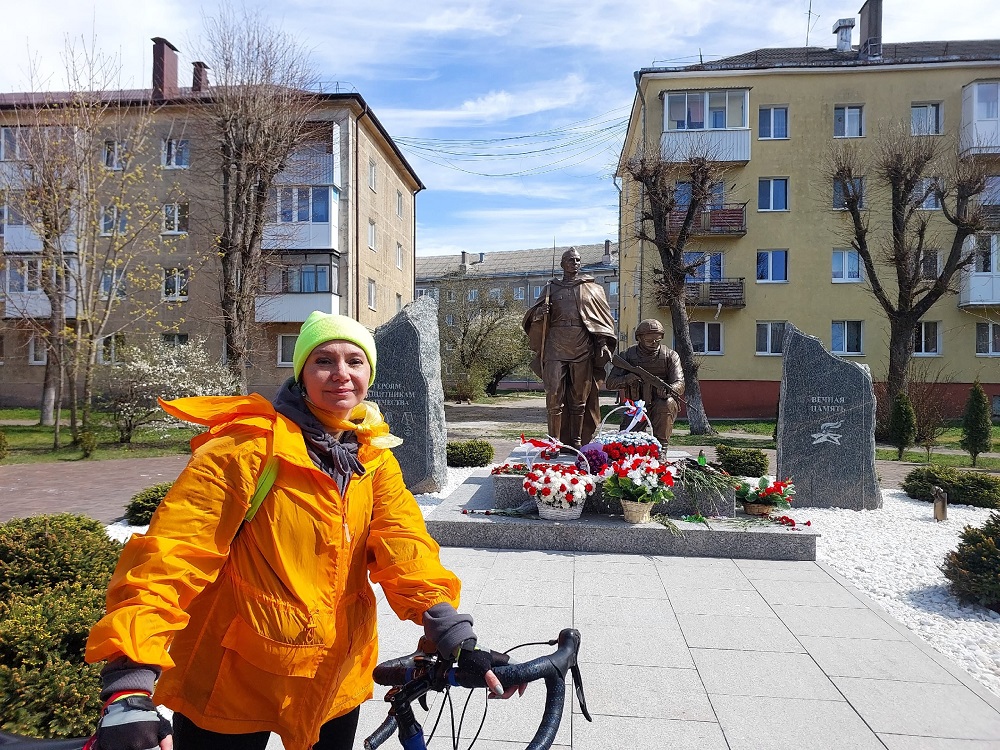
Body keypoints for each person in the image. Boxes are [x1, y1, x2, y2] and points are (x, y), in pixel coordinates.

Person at [84, 312, 506, 750]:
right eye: (323, 360)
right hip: (231, 680)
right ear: (302, 372)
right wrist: (129, 680)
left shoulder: (372, 458)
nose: (341, 373)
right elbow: (172, 555)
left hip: (332, 680)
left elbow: (405, 550)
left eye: (355, 361)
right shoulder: (243, 450)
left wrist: (449, 629)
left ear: (370, 374)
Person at [522, 247, 617, 448]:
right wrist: (540, 312)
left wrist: (601, 343)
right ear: (562, 264)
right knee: (553, 394)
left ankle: (577, 441)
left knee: (579, 397)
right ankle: (554, 443)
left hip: (582, 345)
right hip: (555, 346)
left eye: (578, 260)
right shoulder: (550, 288)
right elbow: (533, 318)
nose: (575, 263)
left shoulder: (592, 288)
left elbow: (600, 320)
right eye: (571, 260)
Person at [605, 318, 685, 445]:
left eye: (657, 340)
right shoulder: (627, 356)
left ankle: (661, 446)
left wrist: (669, 390)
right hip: (636, 405)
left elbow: (679, 383)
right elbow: (610, 383)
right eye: (649, 340)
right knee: (626, 442)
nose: (654, 343)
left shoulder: (670, 356)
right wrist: (627, 379)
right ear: (639, 338)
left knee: (667, 404)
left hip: (659, 403)